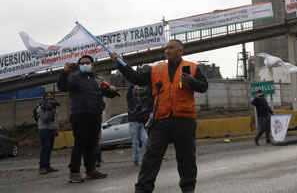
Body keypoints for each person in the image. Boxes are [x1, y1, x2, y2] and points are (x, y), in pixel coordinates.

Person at [112, 39, 209, 193]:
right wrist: (121, 63)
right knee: (151, 157)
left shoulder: (192, 67)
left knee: (187, 159)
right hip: (161, 121)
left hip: (184, 120)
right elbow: (137, 78)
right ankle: (142, 189)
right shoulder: (156, 70)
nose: (167, 51)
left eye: (171, 48)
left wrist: (192, 81)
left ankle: (188, 189)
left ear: (180, 51)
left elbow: (204, 87)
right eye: (166, 48)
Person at [57, 55, 118, 183]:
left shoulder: (97, 79)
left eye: (87, 62)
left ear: (92, 65)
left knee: (92, 144)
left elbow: (107, 94)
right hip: (80, 115)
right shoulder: (74, 78)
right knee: (80, 144)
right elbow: (62, 87)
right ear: (79, 66)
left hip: (95, 115)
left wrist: (113, 90)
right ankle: (74, 172)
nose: (84, 65)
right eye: (82, 63)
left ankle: (91, 170)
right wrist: (64, 72)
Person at [127, 84, 151, 165]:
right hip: (133, 122)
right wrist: (132, 84)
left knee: (145, 140)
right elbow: (129, 91)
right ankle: (136, 159)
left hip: (141, 122)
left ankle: (145, 157)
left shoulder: (141, 97)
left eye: (137, 87)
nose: (136, 89)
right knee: (135, 142)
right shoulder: (130, 98)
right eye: (134, 88)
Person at [36, 91, 59, 175]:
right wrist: (49, 110)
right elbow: (44, 119)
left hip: (52, 129)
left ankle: (47, 166)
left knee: (49, 149)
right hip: (44, 129)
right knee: (44, 148)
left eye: (51, 96)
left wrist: (56, 129)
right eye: (47, 96)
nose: (49, 97)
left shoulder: (54, 107)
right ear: (44, 98)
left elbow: (56, 120)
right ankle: (42, 167)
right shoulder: (40, 107)